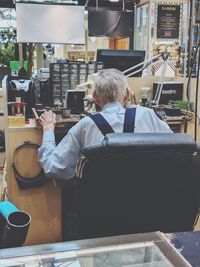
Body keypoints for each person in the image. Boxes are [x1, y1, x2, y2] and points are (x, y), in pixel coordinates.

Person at [38, 68, 172, 181]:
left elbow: (54, 168)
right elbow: (176, 152)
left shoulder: (85, 125)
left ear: (95, 97)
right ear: (127, 95)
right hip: (149, 205)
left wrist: (49, 130)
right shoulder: (147, 115)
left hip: (100, 208)